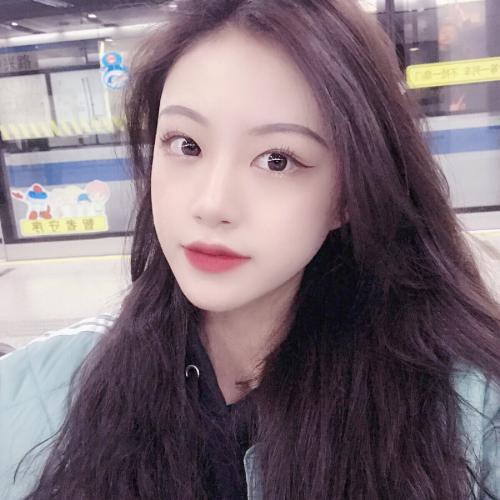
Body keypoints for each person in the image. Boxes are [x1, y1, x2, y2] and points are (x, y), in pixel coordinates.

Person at [1, 0, 499, 498]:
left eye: (277, 160)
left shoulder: (470, 408)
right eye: (186, 145)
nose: (212, 204)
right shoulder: (33, 392)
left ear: (349, 194)